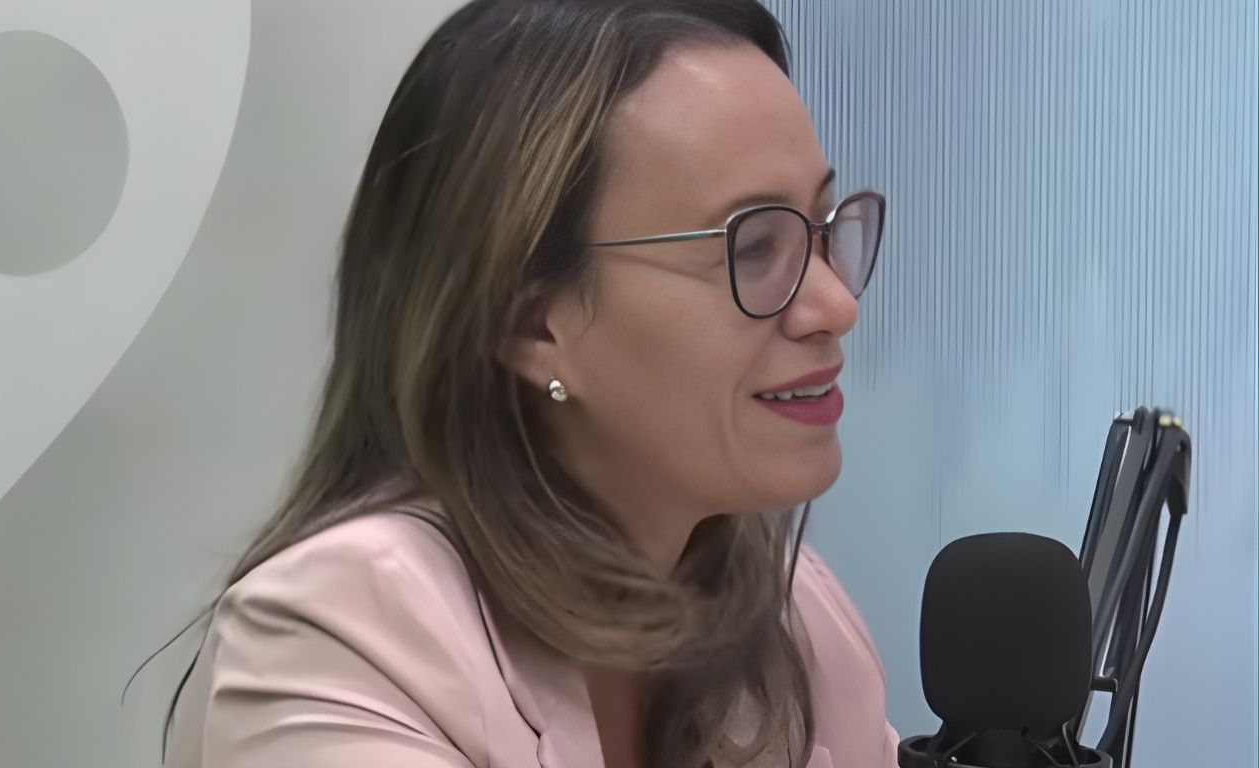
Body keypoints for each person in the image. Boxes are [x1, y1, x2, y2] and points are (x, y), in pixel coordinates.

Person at [163, 0, 897, 766]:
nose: (836, 305)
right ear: (532, 325)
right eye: (755, 248)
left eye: (822, 230)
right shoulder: (344, 635)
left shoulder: (793, 616)